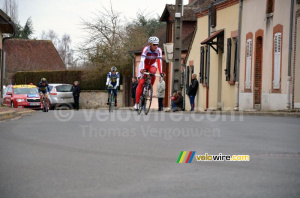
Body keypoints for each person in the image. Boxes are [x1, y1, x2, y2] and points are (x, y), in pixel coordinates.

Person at [135, 36, 164, 110]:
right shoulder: (146, 49)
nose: (156, 46)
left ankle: (149, 87)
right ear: (150, 44)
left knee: (153, 72)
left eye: (157, 44)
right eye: (154, 45)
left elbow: (159, 61)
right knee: (141, 83)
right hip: (144, 65)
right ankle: (137, 103)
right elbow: (142, 60)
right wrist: (141, 69)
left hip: (152, 65)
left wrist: (161, 72)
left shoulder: (159, 50)